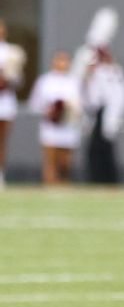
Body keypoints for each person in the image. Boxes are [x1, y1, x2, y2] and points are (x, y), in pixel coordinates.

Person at [28, 51, 81, 186]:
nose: (62, 64)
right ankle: (49, 185)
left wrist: (71, 110)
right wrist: (49, 111)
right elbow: (35, 104)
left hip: (68, 127)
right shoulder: (44, 81)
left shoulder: (74, 82)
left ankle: (63, 185)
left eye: (65, 60)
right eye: (59, 60)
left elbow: (80, 104)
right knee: (50, 160)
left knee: (65, 162)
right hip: (50, 127)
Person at [82, 47, 124, 185]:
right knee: (95, 150)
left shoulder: (114, 72)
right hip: (97, 113)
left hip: (107, 113)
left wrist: (117, 115)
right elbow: (90, 98)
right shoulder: (96, 72)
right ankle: (95, 179)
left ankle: (108, 180)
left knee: (106, 149)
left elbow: (120, 96)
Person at [0, 18, 27, 190]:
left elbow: (19, 80)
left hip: (5, 101)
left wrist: (7, 79)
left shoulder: (12, 52)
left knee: (2, 140)